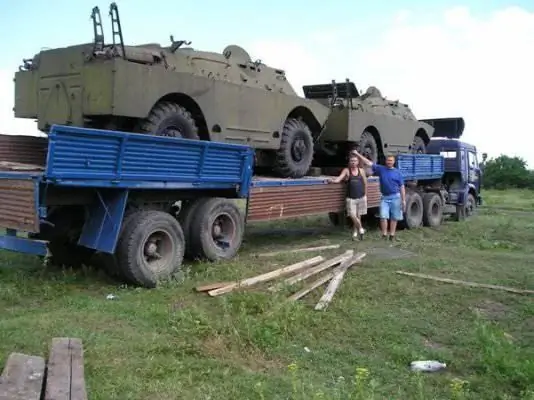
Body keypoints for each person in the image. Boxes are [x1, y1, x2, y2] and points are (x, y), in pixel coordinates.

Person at [351, 151, 406, 241]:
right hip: (384, 197)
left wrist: (403, 200)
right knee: (383, 216)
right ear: (385, 161)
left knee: (394, 217)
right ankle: (384, 235)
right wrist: (357, 154)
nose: (389, 162)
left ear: (394, 161)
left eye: (391, 160)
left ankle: (392, 235)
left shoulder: (398, 173)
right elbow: (368, 163)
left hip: (396, 197)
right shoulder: (381, 169)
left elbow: (402, 187)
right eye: (388, 160)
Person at [327, 155, 367, 240]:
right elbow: (339, 179)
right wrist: (333, 181)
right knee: (352, 215)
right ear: (349, 162)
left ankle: (355, 233)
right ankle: (361, 229)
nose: (353, 162)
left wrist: (365, 194)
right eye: (351, 161)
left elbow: (365, 183)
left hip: (361, 197)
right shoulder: (346, 170)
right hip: (351, 198)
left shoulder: (361, 171)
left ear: (358, 162)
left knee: (358, 216)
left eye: (355, 161)